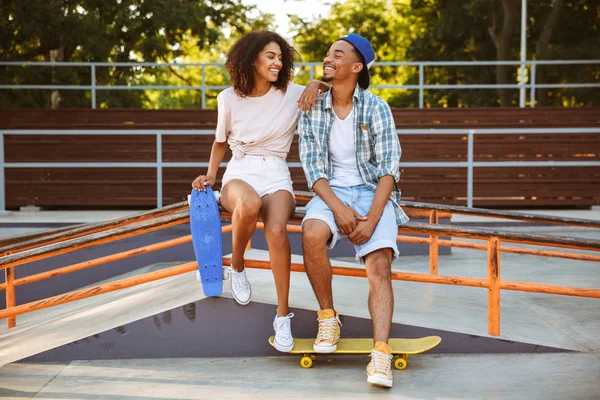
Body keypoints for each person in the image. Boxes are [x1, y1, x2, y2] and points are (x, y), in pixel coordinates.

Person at [191, 30, 328, 353]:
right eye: (271, 56)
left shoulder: (293, 94)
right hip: (240, 170)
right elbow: (221, 141)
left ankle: (283, 316)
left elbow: (336, 88)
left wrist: (315, 84)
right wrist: (211, 176)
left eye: (281, 57)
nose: (278, 62)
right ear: (252, 59)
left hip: (277, 172)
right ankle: (236, 266)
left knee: (278, 230)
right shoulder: (227, 98)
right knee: (248, 204)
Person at [297, 33, 409, 388]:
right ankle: (328, 317)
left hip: (372, 193)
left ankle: (380, 355)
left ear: (357, 66)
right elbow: (312, 169)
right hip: (331, 192)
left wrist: (373, 218)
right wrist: (340, 210)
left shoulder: (376, 107)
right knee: (312, 232)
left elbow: (390, 167)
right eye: (328, 52)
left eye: (337, 54)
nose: (328, 57)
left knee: (379, 264)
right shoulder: (312, 104)